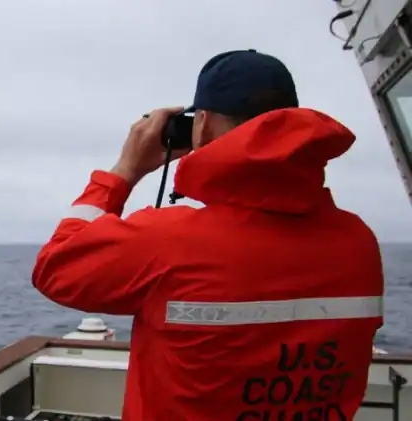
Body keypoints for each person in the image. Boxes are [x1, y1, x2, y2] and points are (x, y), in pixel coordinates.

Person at [32, 50, 384, 421]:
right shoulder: (359, 244)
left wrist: (124, 171)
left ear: (202, 124)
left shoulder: (168, 242)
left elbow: (55, 267)